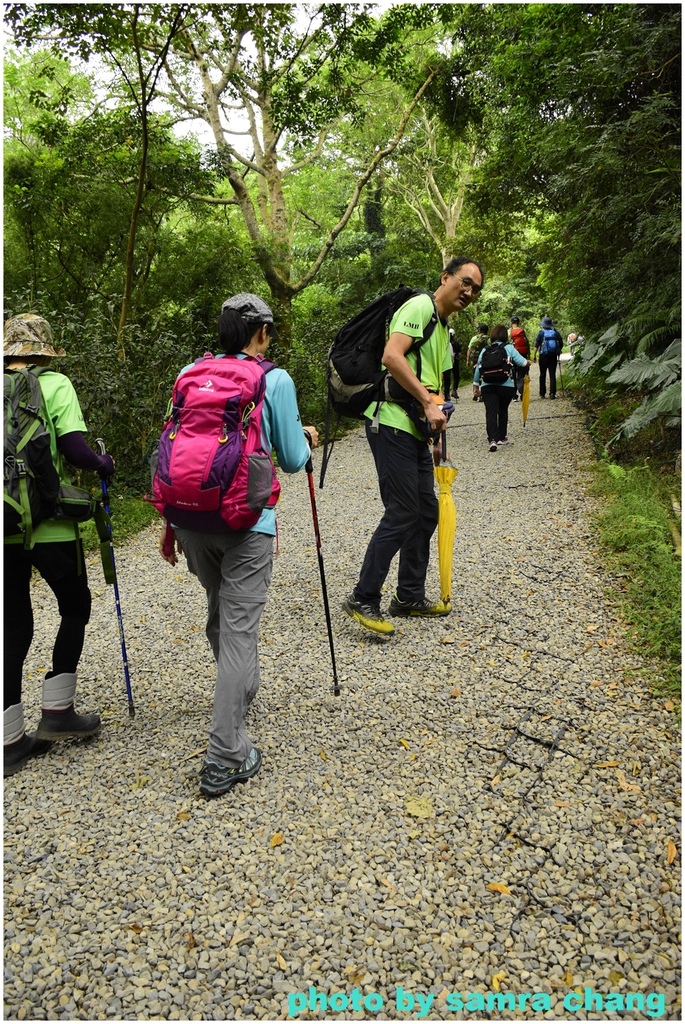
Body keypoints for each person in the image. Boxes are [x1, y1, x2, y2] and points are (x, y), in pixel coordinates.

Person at [160, 294, 319, 799]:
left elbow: (178, 442)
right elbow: (292, 459)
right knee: (239, 631)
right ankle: (226, 753)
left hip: (190, 516)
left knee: (220, 610)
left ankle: (240, 691)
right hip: (249, 521)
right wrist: (306, 437)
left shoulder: (190, 372)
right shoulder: (275, 379)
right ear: (262, 333)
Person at [344, 256, 484, 637]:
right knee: (402, 511)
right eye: (465, 282)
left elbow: (435, 392)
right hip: (389, 423)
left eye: (476, 289)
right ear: (446, 278)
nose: (469, 292)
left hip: (414, 430)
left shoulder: (442, 329)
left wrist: (436, 428)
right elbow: (392, 356)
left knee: (425, 512)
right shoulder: (420, 306)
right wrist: (426, 402)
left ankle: (408, 595)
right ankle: (363, 596)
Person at [4, 314, 114, 777]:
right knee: (75, 604)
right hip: (50, 523)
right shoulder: (55, 385)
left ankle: (8, 739)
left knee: (12, 621)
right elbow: (73, 450)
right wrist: (103, 463)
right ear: (45, 351)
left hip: (4, 524)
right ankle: (57, 712)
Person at [473, 324, 531, 451]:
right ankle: (501, 437)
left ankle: (492, 440)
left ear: (492, 335)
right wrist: (528, 362)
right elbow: (522, 362)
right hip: (506, 386)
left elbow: (478, 367)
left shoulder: (485, 349)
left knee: (491, 412)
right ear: (505, 336)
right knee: (503, 410)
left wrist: (476, 385)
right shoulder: (509, 348)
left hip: (488, 385)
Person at [534, 315, 563, 399]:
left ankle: (542, 393)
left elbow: (536, 345)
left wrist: (534, 355)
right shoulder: (555, 332)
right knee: (552, 374)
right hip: (553, 356)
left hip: (543, 356)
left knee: (542, 374)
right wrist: (558, 350)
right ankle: (552, 393)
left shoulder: (541, 333)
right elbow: (561, 343)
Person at [508, 315, 531, 401]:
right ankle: (522, 393)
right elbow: (527, 342)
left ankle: (514, 396)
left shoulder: (509, 332)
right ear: (518, 322)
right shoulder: (522, 331)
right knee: (522, 374)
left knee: (513, 374)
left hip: (512, 355)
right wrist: (528, 356)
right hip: (523, 355)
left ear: (511, 322)